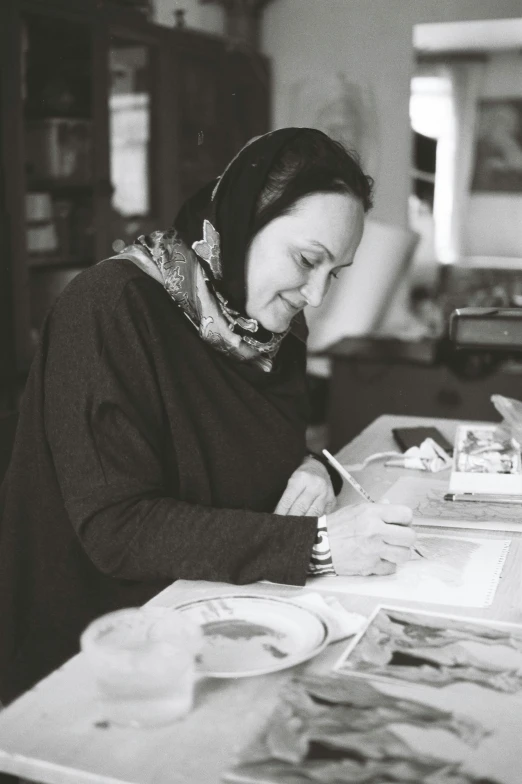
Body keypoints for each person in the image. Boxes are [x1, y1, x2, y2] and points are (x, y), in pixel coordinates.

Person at [0, 128, 415, 704]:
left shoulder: (270, 327)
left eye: (334, 273)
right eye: (307, 260)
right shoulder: (108, 307)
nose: (317, 295)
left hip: (218, 615)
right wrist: (317, 545)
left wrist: (314, 467)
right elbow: (118, 529)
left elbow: (262, 448)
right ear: (243, 221)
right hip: (103, 652)